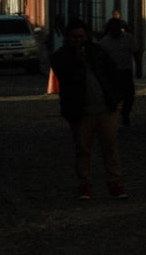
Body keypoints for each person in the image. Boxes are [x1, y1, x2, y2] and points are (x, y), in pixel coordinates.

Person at [50, 16, 127, 200]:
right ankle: (84, 185)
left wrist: (116, 97)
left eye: (82, 36)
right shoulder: (62, 56)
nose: (79, 40)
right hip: (80, 111)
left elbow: (113, 73)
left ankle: (115, 183)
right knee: (83, 150)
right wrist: (76, 61)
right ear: (68, 37)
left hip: (105, 108)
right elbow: (65, 76)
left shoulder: (98, 52)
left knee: (110, 147)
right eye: (75, 37)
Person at [99, 15, 136, 125]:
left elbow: (135, 52)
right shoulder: (104, 41)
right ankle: (113, 115)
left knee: (129, 95)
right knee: (114, 95)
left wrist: (138, 68)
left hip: (126, 70)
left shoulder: (128, 38)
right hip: (112, 73)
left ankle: (125, 113)